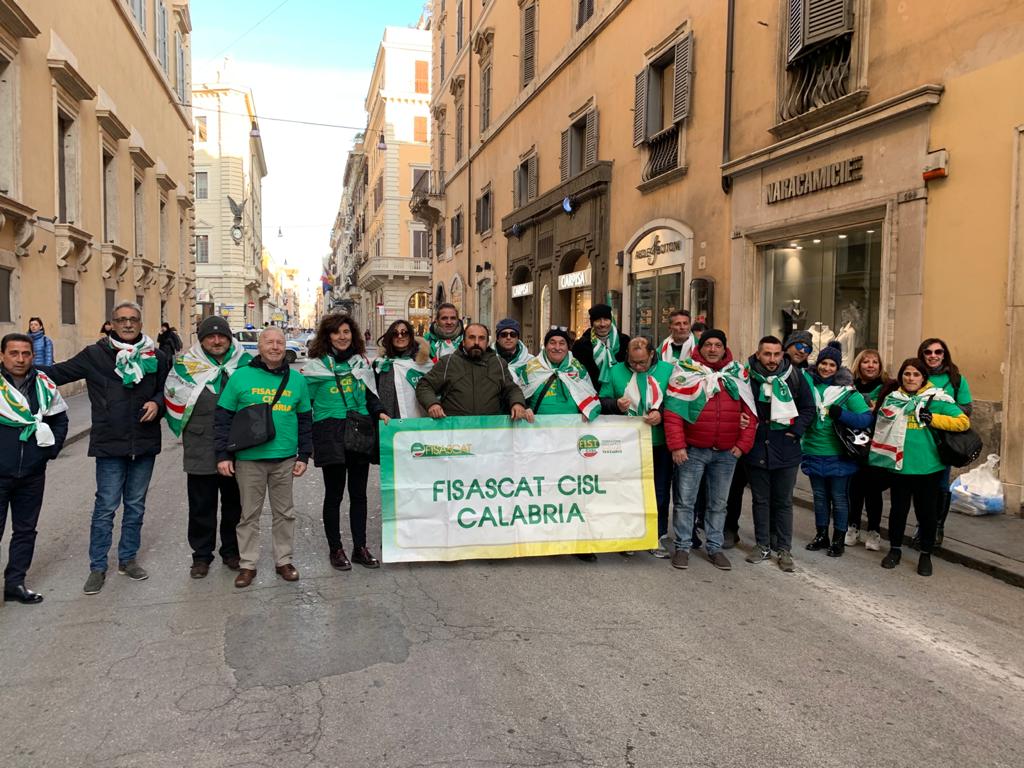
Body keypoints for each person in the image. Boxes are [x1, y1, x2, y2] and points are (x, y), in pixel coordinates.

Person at [42, 302, 169, 595]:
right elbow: (56, 374)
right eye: (121, 320)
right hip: (109, 444)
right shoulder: (95, 355)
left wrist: (157, 403)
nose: (127, 324)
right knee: (105, 508)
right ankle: (97, 567)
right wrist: (14, 367)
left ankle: (128, 559)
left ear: (140, 323)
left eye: (133, 320)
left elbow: (168, 389)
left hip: (144, 443)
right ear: (111, 324)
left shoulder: (157, 356)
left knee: (135, 506)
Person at [215, 327, 312, 588]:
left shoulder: (297, 380)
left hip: (284, 458)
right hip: (249, 459)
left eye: (280, 342)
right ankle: (247, 564)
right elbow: (223, 418)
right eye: (269, 342)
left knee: (285, 513)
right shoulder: (240, 377)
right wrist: (223, 455)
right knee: (249, 515)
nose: (275, 346)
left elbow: (305, 420)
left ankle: (284, 560)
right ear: (259, 347)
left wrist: (304, 455)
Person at [164, 316, 251, 578]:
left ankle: (232, 551)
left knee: (235, 504)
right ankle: (201, 556)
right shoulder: (185, 366)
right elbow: (172, 393)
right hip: (200, 446)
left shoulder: (245, 364)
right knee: (201, 505)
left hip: (237, 447)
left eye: (221, 336)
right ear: (202, 340)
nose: (216, 340)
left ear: (229, 338)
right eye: (210, 337)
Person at [664, 329, 757, 571]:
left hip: (726, 452)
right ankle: (683, 546)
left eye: (718, 345)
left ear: (724, 348)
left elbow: (750, 412)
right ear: (700, 347)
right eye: (708, 345)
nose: (713, 349)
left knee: (718, 503)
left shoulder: (737, 373)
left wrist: (742, 445)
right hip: (692, 450)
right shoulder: (685, 371)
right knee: (685, 502)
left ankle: (714, 547)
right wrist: (677, 446)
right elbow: (673, 411)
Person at [302, 314, 389, 571]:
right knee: (334, 495)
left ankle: (360, 547)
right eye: (336, 332)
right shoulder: (316, 367)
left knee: (359, 495)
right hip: (330, 433)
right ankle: (336, 548)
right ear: (327, 336)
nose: (342, 337)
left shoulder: (361, 362)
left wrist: (380, 411)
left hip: (359, 431)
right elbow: (305, 406)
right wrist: (306, 442)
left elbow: (371, 395)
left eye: (347, 332)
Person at [869, 358, 970, 576]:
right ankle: (895, 550)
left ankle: (926, 554)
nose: (911, 378)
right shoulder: (893, 399)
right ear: (901, 377)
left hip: (929, 468)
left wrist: (933, 418)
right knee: (898, 512)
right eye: (907, 374)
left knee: (927, 515)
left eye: (916, 374)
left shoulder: (937, 399)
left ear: (923, 377)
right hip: (899, 467)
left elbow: (963, 421)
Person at [0, 334, 69, 604]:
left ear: (32, 356)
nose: (20, 359)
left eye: (25, 354)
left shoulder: (44, 385)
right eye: (14, 353)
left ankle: (15, 583)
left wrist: (48, 452)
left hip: (31, 473)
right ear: (3, 355)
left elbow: (60, 420)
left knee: (26, 530)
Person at [742, 335, 816, 572]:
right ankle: (762, 545)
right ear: (758, 353)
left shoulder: (795, 376)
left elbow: (808, 408)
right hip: (756, 446)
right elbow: (737, 404)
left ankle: (784, 548)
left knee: (783, 501)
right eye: (767, 354)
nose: (772, 359)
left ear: (782, 355)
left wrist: (795, 432)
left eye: (776, 354)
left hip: (786, 447)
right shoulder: (746, 376)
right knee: (760, 500)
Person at [600, 337, 674, 557]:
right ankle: (629, 536)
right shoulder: (614, 372)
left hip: (658, 442)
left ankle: (657, 536)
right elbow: (601, 400)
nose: (638, 367)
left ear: (652, 354)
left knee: (659, 491)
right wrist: (615, 404)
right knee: (628, 490)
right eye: (633, 363)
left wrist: (661, 414)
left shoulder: (668, 370)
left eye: (642, 363)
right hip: (627, 443)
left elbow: (678, 401)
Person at [800, 341, 873, 557]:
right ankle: (821, 535)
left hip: (839, 453)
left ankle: (838, 539)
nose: (826, 368)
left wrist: (841, 414)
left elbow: (866, 419)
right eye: (823, 363)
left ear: (837, 367)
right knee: (820, 497)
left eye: (832, 364)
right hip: (813, 449)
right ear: (818, 364)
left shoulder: (847, 392)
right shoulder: (807, 385)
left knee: (839, 498)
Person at [914, 338, 972, 548]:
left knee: (940, 486)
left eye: (938, 352)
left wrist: (941, 408)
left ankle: (937, 526)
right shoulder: (915, 375)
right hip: (917, 439)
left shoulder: (955, 379)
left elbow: (966, 409)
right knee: (919, 487)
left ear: (944, 354)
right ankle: (922, 525)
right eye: (928, 352)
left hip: (943, 442)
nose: (933, 356)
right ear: (922, 355)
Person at [415, 323, 531, 420]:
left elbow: (511, 389)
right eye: (471, 337)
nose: (476, 342)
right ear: (464, 341)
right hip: (456, 433)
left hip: (489, 432)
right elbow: (424, 385)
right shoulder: (448, 362)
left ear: (487, 342)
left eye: (481, 338)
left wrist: (517, 403)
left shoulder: (498, 363)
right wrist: (432, 404)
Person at [846, 349, 890, 550]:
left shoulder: (887, 389)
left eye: (875, 362)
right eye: (866, 362)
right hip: (853, 444)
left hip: (877, 445)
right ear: (859, 365)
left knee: (873, 490)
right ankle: (852, 526)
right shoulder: (849, 386)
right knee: (854, 489)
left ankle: (873, 531)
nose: (871, 365)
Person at [518, 328, 601, 421]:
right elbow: (517, 396)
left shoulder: (579, 369)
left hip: (572, 429)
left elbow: (590, 395)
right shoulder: (529, 369)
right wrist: (524, 408)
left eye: (562, 343)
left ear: (567, 347)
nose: (557, 348)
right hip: (538, 431)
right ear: (545, 346)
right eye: (552, 343)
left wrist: (587, 409)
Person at [373, 319, 432, 419]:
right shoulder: (381, 364)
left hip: (420, 421)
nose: (400, 336)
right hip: (390, 420)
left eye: (404, 333)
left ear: (410, 336)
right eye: (395, 333)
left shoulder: (424, 364)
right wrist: (379, 412)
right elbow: (372, 394)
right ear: (390, 337)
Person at [571, 304, 631, 390]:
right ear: (592, 323)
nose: (602, 324)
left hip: (622, 391)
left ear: (611, 320)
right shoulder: (581, 346)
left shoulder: (625, 341)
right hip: (592, 395)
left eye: (606, 319)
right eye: (598, 320)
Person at [493, 318, 533, 382]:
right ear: (497, 338)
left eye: (513, 334)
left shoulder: (531, 361)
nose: (508, 338)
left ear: (518, 338)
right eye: (504, 335)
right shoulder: (487, 360)